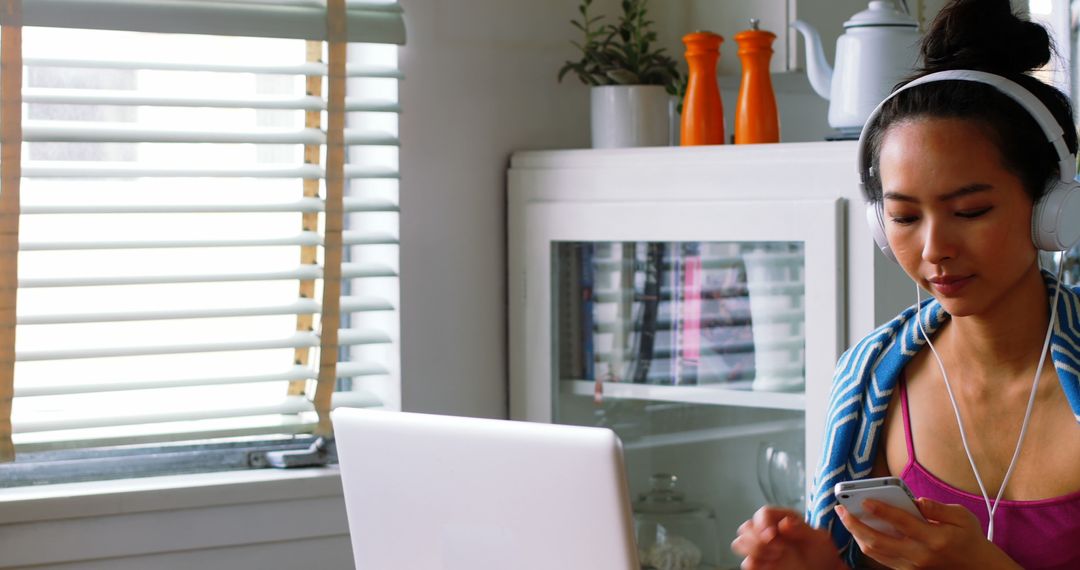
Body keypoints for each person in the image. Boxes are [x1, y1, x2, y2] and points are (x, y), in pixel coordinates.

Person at [731, 1, 1080, 568]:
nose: (934, 248)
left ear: (1051, 208)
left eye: (970, 210)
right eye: (905, 217)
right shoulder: (872, 380)